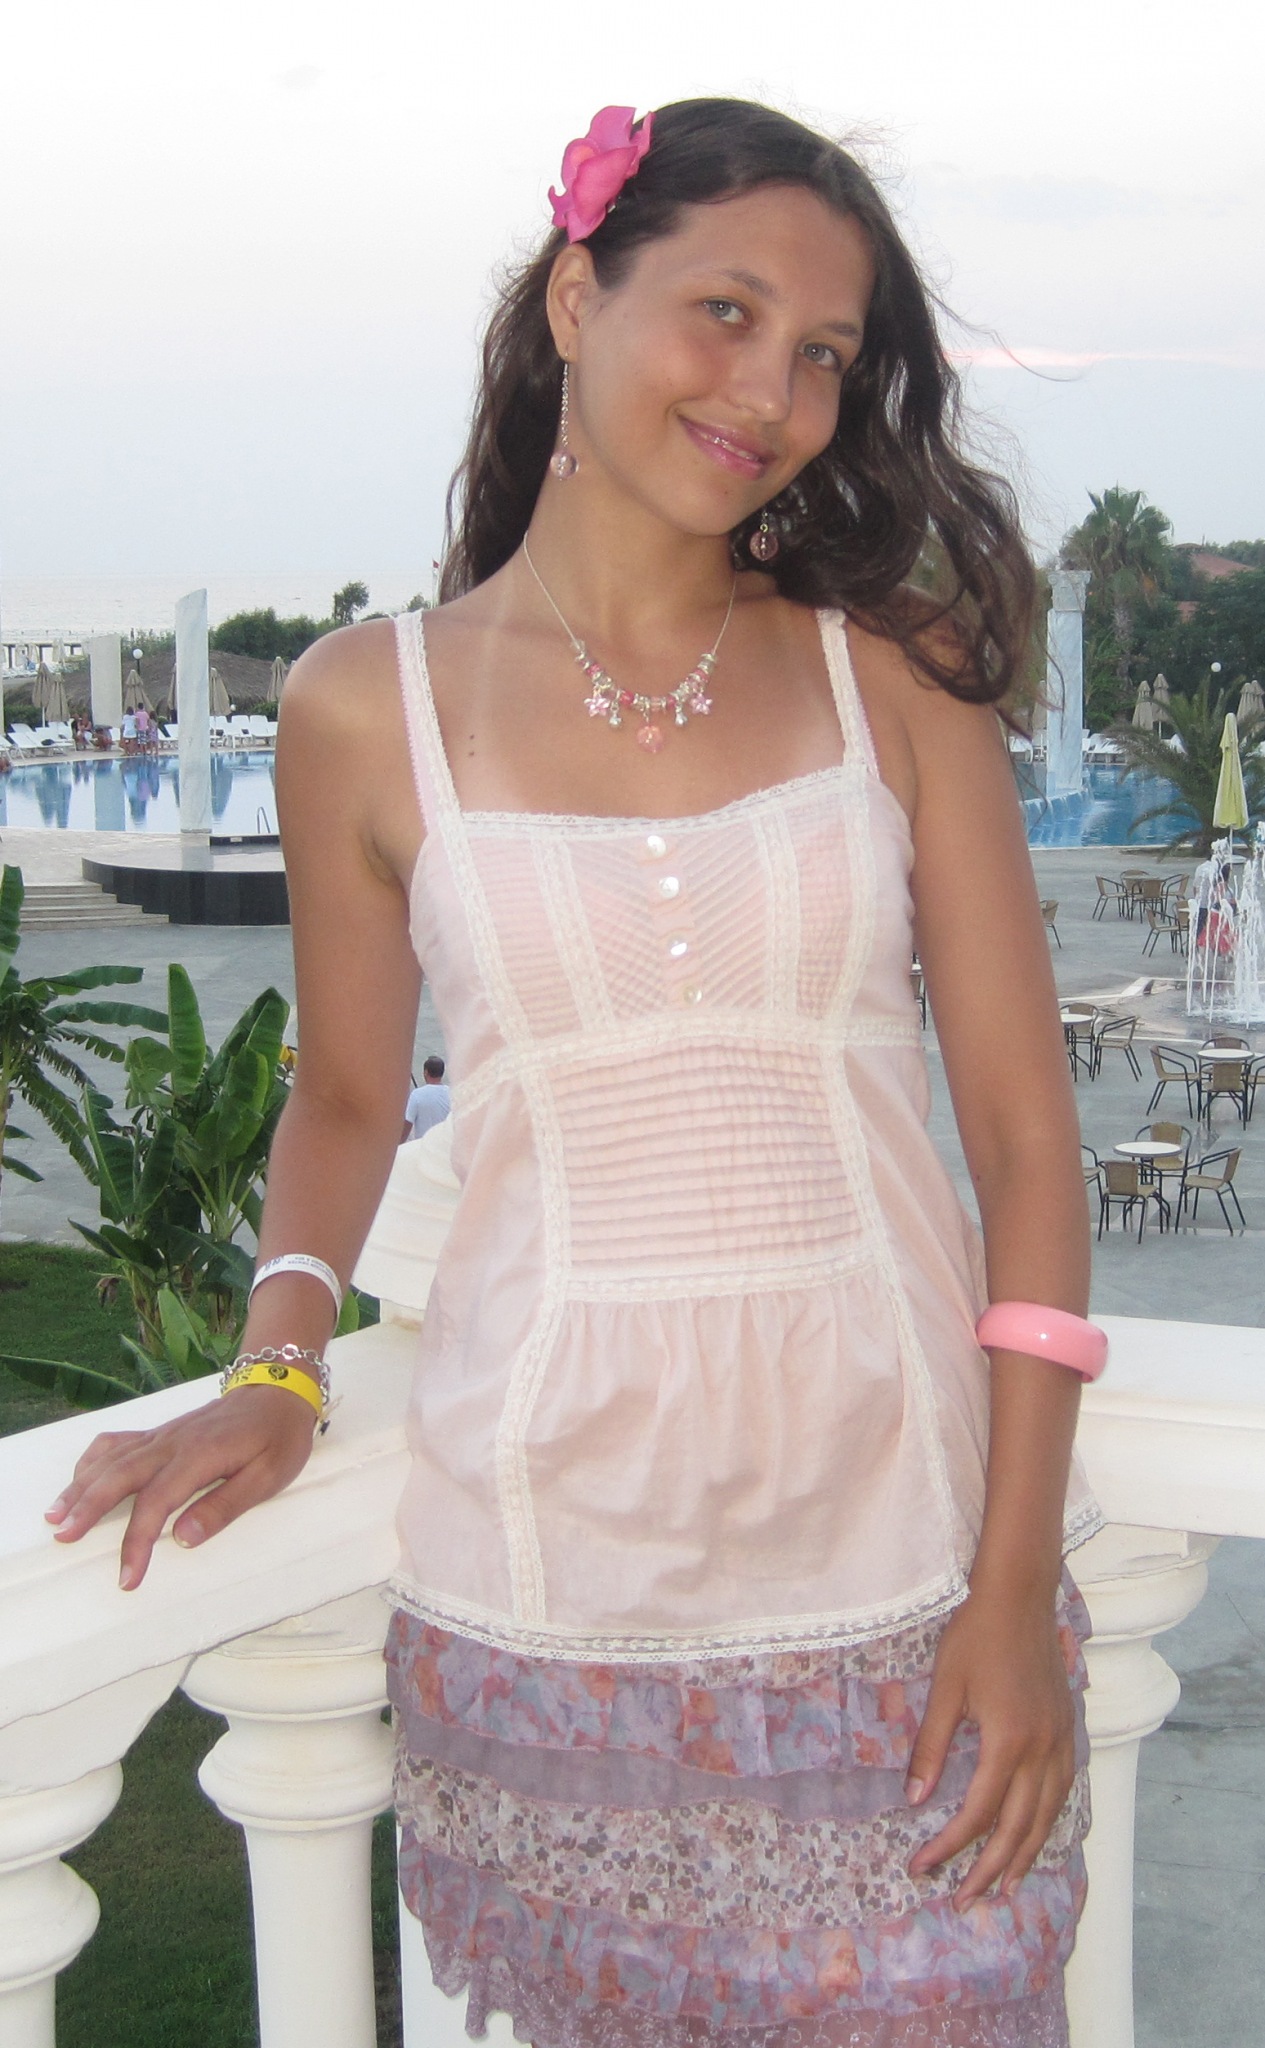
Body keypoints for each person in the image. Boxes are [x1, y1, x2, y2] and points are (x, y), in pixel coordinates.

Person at [47, 99, 1103, 2046]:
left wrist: (1013, 1588)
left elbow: (1030, 1147)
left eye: (822, 353)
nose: (769, 391)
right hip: (554, 1592)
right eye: (724, 310)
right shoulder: (363, 707)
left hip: (909, 1580)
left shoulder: (888, 670)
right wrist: (277, 1362)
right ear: (572, 295)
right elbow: (347, 1097)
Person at [402, 1055, 451, 1140]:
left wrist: (399, 1144)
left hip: (423, 1145)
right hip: (445, 1144)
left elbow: (408, 1123)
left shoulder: (416, 1094)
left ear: (425, 1072)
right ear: (442, 1072)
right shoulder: (451, 1093)